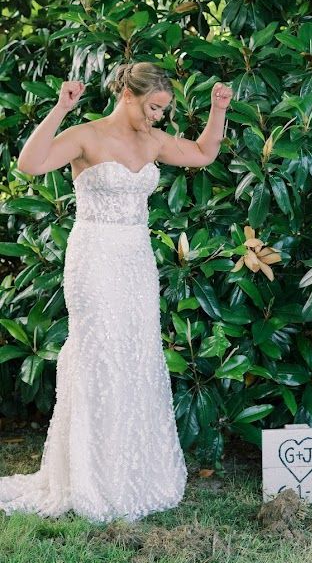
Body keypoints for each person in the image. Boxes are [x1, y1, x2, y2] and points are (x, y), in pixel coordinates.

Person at [0, 62, 233, 522]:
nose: (159, 118)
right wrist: (61, 108)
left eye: (164, 110)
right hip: (95, 257)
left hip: (135, 259)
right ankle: (89, 475)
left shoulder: (153, 140)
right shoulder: (87, 136)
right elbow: (29, 164)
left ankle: (132, 471)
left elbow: (204, 153)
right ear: (128, 93)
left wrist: (217, 109)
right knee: (100, 352)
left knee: (135, 354)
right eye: (154, 107)